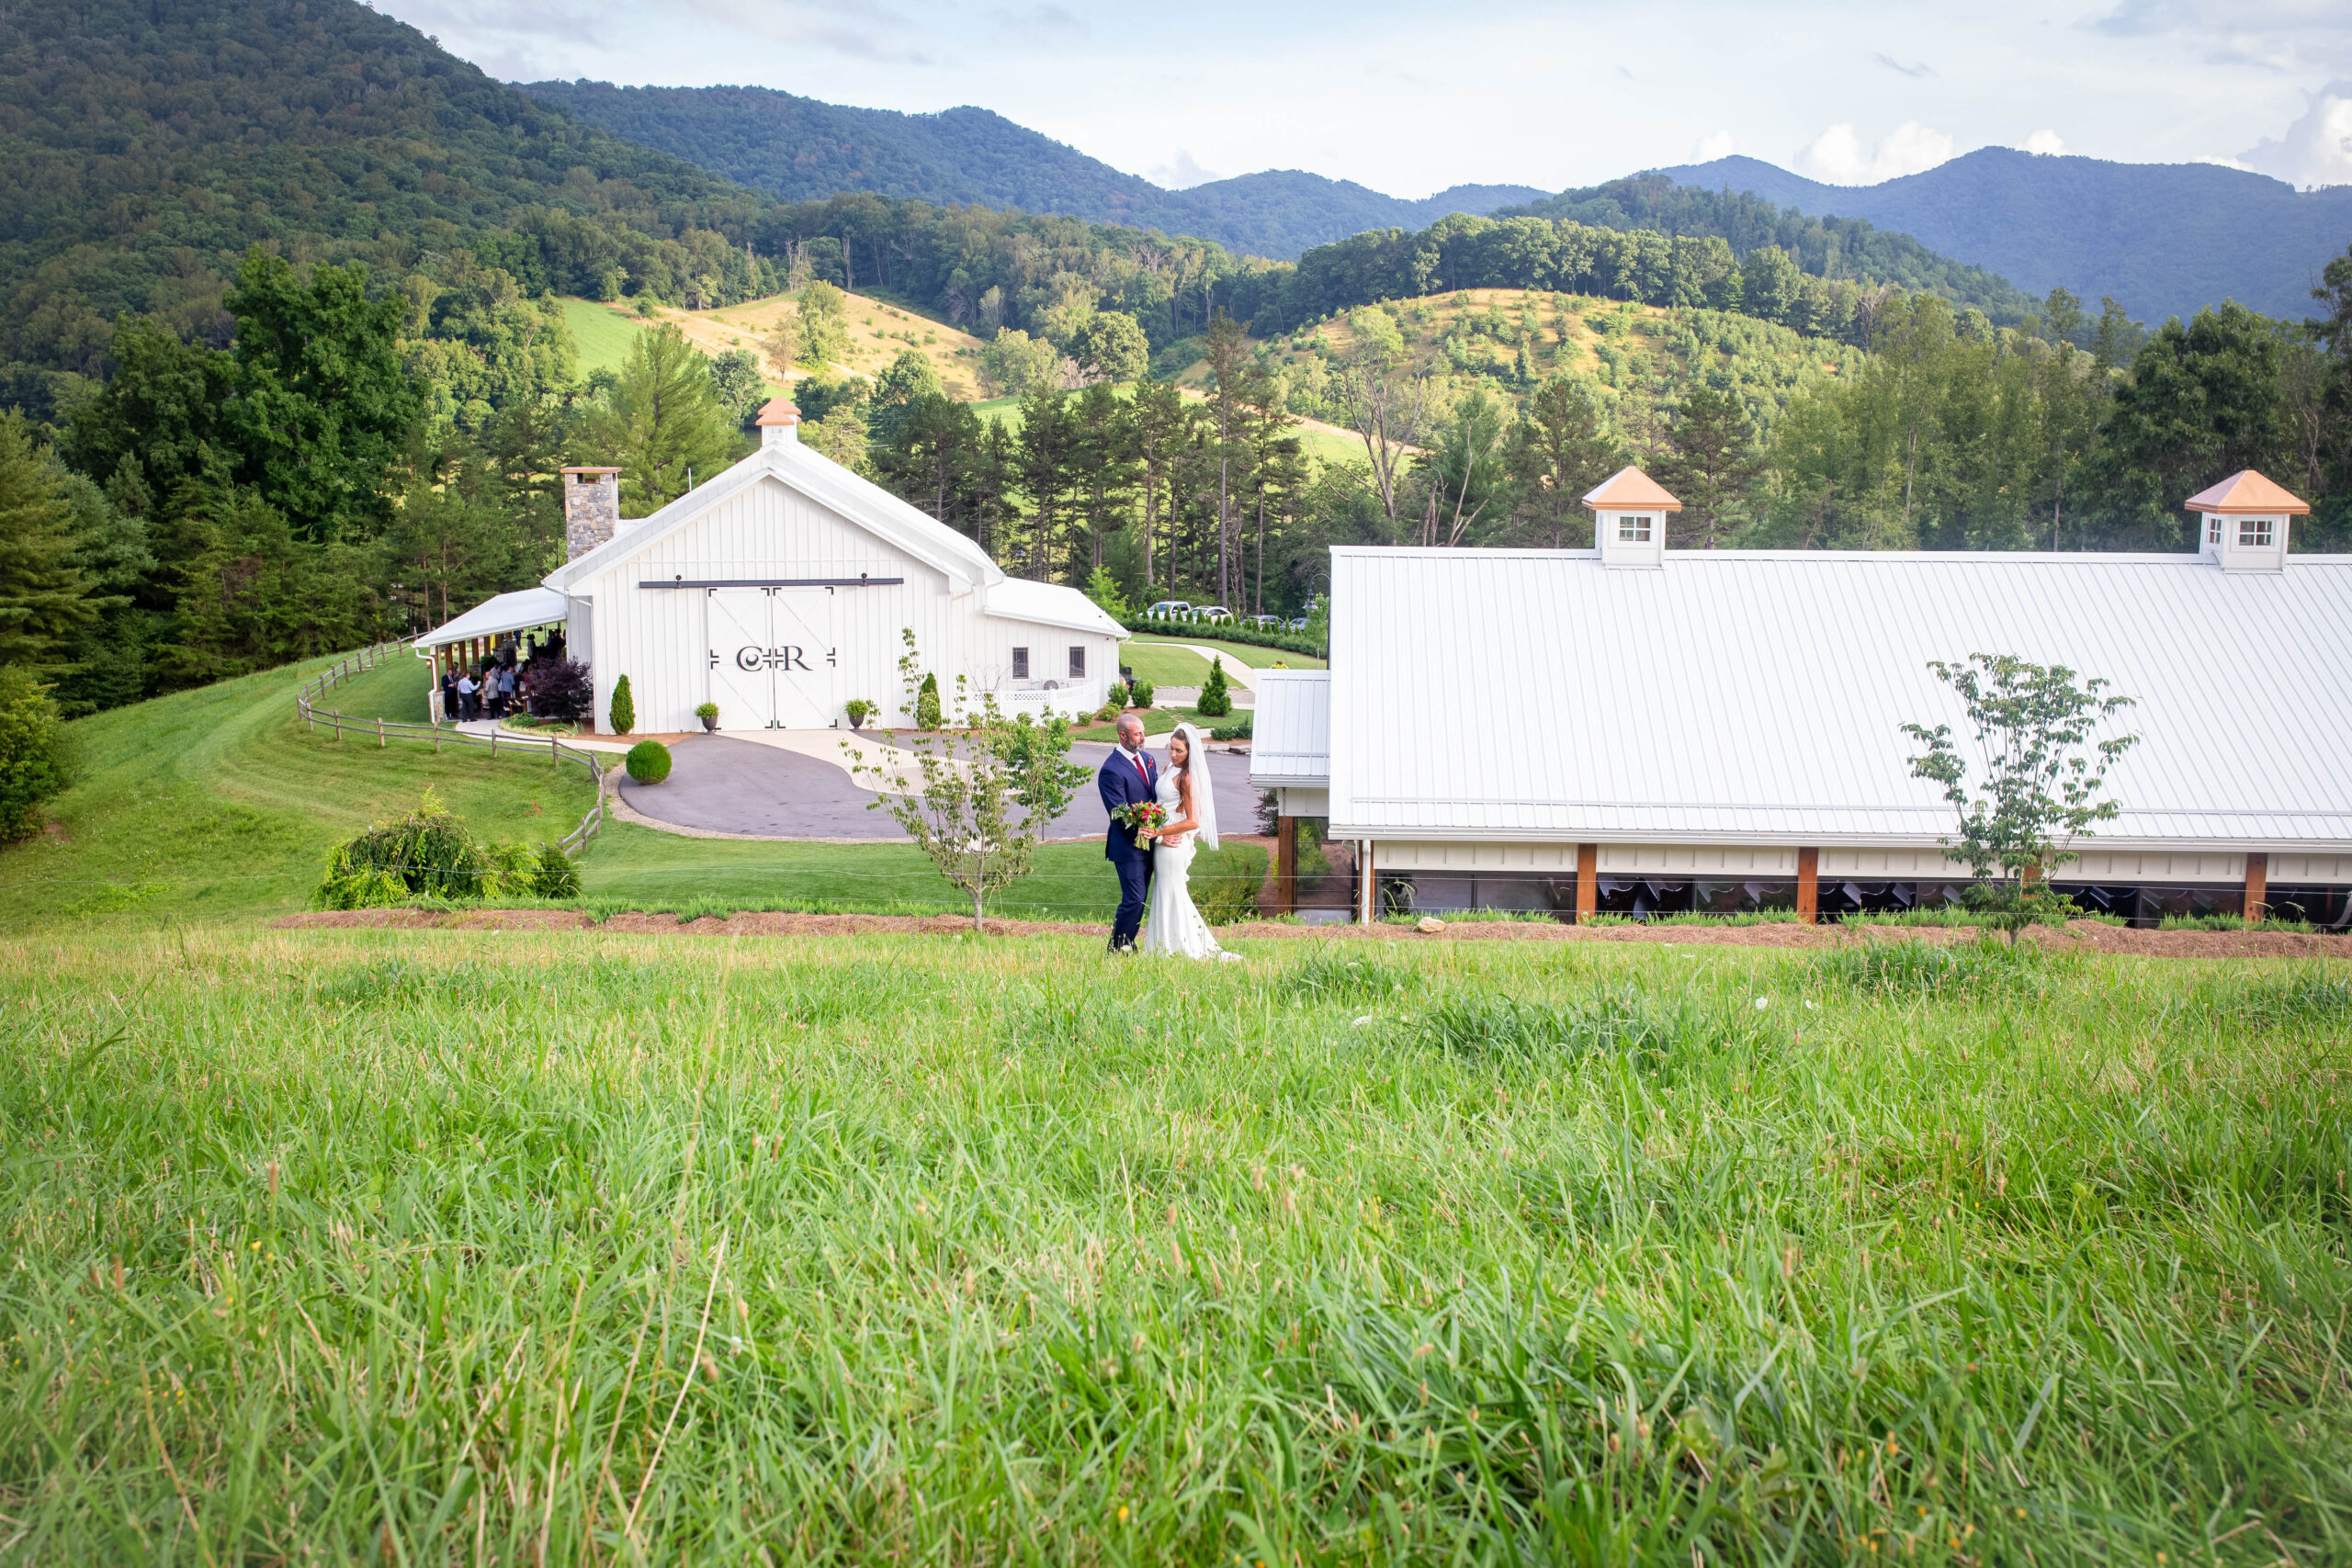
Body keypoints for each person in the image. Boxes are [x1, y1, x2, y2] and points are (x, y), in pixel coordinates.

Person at [1139, 723, 1242, 962]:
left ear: (1190, 753)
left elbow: (1194, 820)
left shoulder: (1187, 777)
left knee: (1173, 891)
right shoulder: (1168, 768)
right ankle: (1162, 945)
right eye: (1171, 749)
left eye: (1179, 751)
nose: (1173, 755)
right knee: (1165, 890)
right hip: (1162, 839)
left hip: (1173, 842)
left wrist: (1160, 831)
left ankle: (1181, 946)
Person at [1097, 712, 1158, 953]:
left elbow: (1154, 797)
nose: (1143, 737)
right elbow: (1118, 812)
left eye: (1143, 732)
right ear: (1123, 736)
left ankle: (1128, 943)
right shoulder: (1111, 770)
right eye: (1137, 734)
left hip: (1152, 843)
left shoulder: (1148, 759)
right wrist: (1142, 829)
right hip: (1127, 847)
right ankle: (1118, 945)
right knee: (1133, 898)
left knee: (1140, 899)